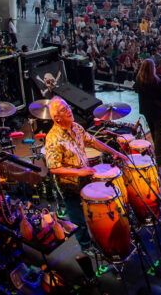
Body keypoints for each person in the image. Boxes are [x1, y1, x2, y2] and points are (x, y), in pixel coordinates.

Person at [43, 97, 130, 249]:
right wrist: (79, 172)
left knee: (93, 213)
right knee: (79, 221)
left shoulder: (76, 127)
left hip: (85, 179)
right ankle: (86, 247)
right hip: (70, 186)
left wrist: (115, 152)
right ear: (56, 118)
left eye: (68, 107)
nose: (69, 110)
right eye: (64, 110)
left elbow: (93, 142)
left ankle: (98, 238)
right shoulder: (53, 138)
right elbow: (53, 168)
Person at [134, 58, 161, 166]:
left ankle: (156, 152)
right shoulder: (156, 81)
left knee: (153, 131)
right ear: (153, 68)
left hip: (147, 110)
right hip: (158, 110)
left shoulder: (139, 78)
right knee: (160, 133)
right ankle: (160, 158)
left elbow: (135, 89)